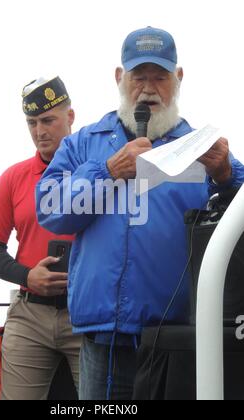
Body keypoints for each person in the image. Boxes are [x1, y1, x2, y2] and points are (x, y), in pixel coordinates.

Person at [35, 27, 244, 400]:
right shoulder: (84, 143)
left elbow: (238, 214)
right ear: (120, 78)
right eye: (139, 76)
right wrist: (107, 172)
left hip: (174, 339)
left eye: (160, 77)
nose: (148, 88)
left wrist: (227, 174)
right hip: (102, 340)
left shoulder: (198, 147)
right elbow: (50, 209)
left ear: (178, 79)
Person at [0, 76, 81, 400]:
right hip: (30, 314)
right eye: (32, 122)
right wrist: (28, 277)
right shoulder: (13, 178)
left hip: (86, 312)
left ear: (70, 117)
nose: (39, 131)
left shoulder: (98, 172)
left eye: (48, 120)